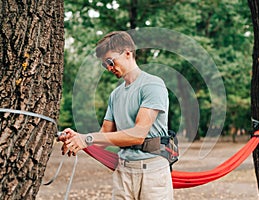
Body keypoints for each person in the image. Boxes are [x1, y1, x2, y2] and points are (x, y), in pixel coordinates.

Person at [58, 31, 173, 199]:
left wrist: (87, 138)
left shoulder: (153, 85)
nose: (109, 68)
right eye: (105, 65)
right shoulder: (115, 94)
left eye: (110, 61)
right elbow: (104, 136)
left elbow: (138, 135)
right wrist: (76, 137)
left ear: (127, 53)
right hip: (123, 171)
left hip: (153, 172)